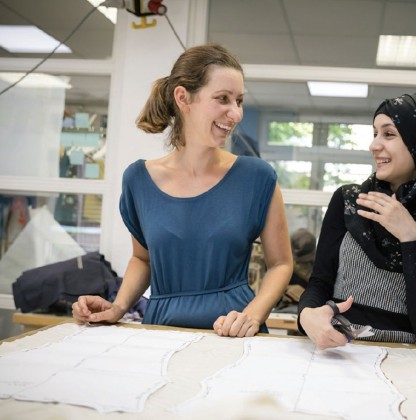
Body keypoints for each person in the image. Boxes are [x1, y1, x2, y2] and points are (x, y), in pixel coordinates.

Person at [71, 44, 293, 337]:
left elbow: (281, 264)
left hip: (235, 330)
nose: (236, 113)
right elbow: (143, 259)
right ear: (183, 98)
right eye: (223, 99)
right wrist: (118, 306)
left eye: (238, 100)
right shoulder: (138, 180)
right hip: (162, 328)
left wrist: (252, 315)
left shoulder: (258, 177)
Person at [298, 93, 416, 349]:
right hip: (337, 349)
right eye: (374, 133)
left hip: (404, 360)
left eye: (388, 134)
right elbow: (319, 282)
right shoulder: (350, 200)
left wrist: (411, 238)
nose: (374, 145)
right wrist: (306, 315)